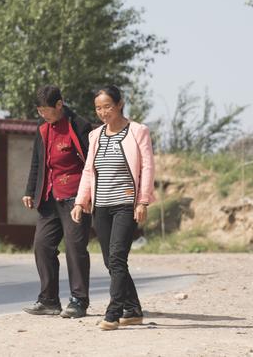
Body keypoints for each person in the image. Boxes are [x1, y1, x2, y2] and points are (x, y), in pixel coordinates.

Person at [71, 85, 155, 330]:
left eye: (107, 106)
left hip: (125, 204)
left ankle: (114, 311)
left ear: (119, 104)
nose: (103, 112)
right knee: (110, 261)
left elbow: (147, 167)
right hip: (102, 206)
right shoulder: (95, 135)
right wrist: (80, 201)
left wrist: (143, 201)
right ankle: (133, 309)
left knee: (118, 258)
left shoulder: (138, 131)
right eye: (98, 108)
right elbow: (88, 171)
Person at [22, 85, 93, 318]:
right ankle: (49, 300)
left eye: (47, 110)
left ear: (60, 105)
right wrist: (30, 190)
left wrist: (87, 197)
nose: (44, 115)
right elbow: (37, 163)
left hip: (75, 198)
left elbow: (91, 162)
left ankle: (79, 300)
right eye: (40, 111)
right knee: (42, 246)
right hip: (49, 197)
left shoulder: (79, 126)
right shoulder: (42, 130)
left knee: (75, 248)